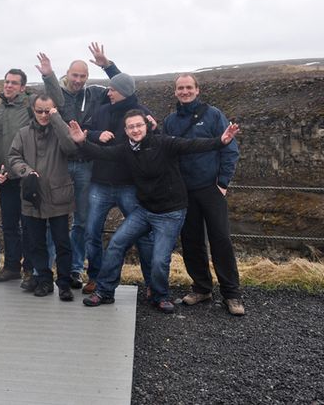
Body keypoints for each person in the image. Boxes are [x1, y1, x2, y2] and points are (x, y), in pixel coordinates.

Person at [68, 110, 241, 313]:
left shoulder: (163, 143)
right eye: (131, 127)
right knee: (116, 244)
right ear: (126, 130)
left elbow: (191, 146)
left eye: (139, 125)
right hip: (144, 210)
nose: (135, 129)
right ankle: (105, 291)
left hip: (170, 213)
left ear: (147, 126)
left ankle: (160, 296)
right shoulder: (126, 149)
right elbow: (102, 153)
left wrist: (220, 141)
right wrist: (81, 142)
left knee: (159, 259)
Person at [164, 74, 244, 316]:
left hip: (210, 188)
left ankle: (232, 294)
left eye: (189, 87)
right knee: (191, 240)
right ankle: (202, 287)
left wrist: (222, 183)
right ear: (175, 92)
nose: (185, 91)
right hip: (184, 190)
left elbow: (230, 149)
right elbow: (166, 153)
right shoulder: (170, 121)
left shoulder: (213, 115)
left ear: (197, 90)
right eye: (181, 88)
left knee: (220, 239)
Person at [0, 53, 65, 282]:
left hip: (30, 177)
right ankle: (12, 266)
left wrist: (48, 75)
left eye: (14, 83)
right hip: (6, 177)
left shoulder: (31, 105)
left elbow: (56, 102)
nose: (9, 86)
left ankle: (31, 270)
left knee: (31, 227)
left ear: (23, 87)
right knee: (10, 224)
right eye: (7, 82)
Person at [82, 72, 156, 296]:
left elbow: (154, 141)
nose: (109, 92)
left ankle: (152, 283)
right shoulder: (102, 110)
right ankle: (95, 277)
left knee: (143, 234)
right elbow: (87, 131)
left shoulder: (141, 114)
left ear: (123, 91)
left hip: (129, 185)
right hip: (100, 183)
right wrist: (96, 135)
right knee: (91, 232)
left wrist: (154, 129)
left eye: (113, 89)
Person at [57, 42, 123, 289]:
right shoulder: (56, 93)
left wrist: (107, 65)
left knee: (82, 220)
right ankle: (54, 267)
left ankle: (75, 268)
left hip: (86, 165)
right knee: (55, 217)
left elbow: (123, 86)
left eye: (83, 75)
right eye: (75, 75)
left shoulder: (94, 93)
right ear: (67, 73)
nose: (78, 80)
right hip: (60, 164)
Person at [9, 96, 78, 299]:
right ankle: (44, 280)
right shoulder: (23, 133)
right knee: (36, 243)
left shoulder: (60, 131)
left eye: (48, 111)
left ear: (54, 111)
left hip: (58, 195)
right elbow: (13, 156)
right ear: (33, 110)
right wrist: (26, 171)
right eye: (39, 111)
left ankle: (64, 284)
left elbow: (71, 148)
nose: (43, 115)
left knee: (62, 243)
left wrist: (58, 121)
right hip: (33, 196)